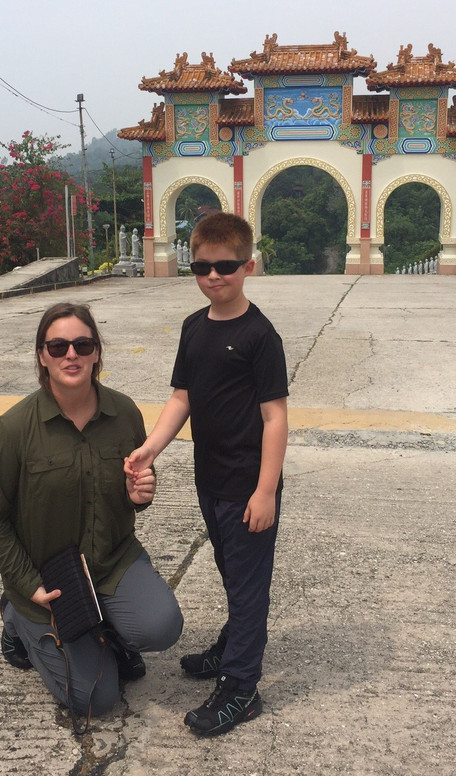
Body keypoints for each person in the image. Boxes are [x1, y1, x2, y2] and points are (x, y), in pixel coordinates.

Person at [0, 301, 183, 727]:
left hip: (111, 560)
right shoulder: (13, 430)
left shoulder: (124, 413)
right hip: (50, 580)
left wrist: (141, 493)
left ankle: (105, 630)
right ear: (42, 356)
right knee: (95, 698)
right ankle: (15, 619)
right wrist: (27, 585)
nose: (71, 354)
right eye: (58, 346)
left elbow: (135, 487)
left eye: (82, 344)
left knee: (162, 627)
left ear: (96, 353)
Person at [124, 212, 288, 737]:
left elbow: (275, 417)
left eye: (226, 266)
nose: (214, 276)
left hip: (248, 485)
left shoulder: (261, 335)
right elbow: (182, 397)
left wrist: (266, 491)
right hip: (210, 478)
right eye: (202, 267)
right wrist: (150, 448)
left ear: (248, 266)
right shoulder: (195, 327)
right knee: (229, 571)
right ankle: (231, 646)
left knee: (247, 586)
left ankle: (241, 687)